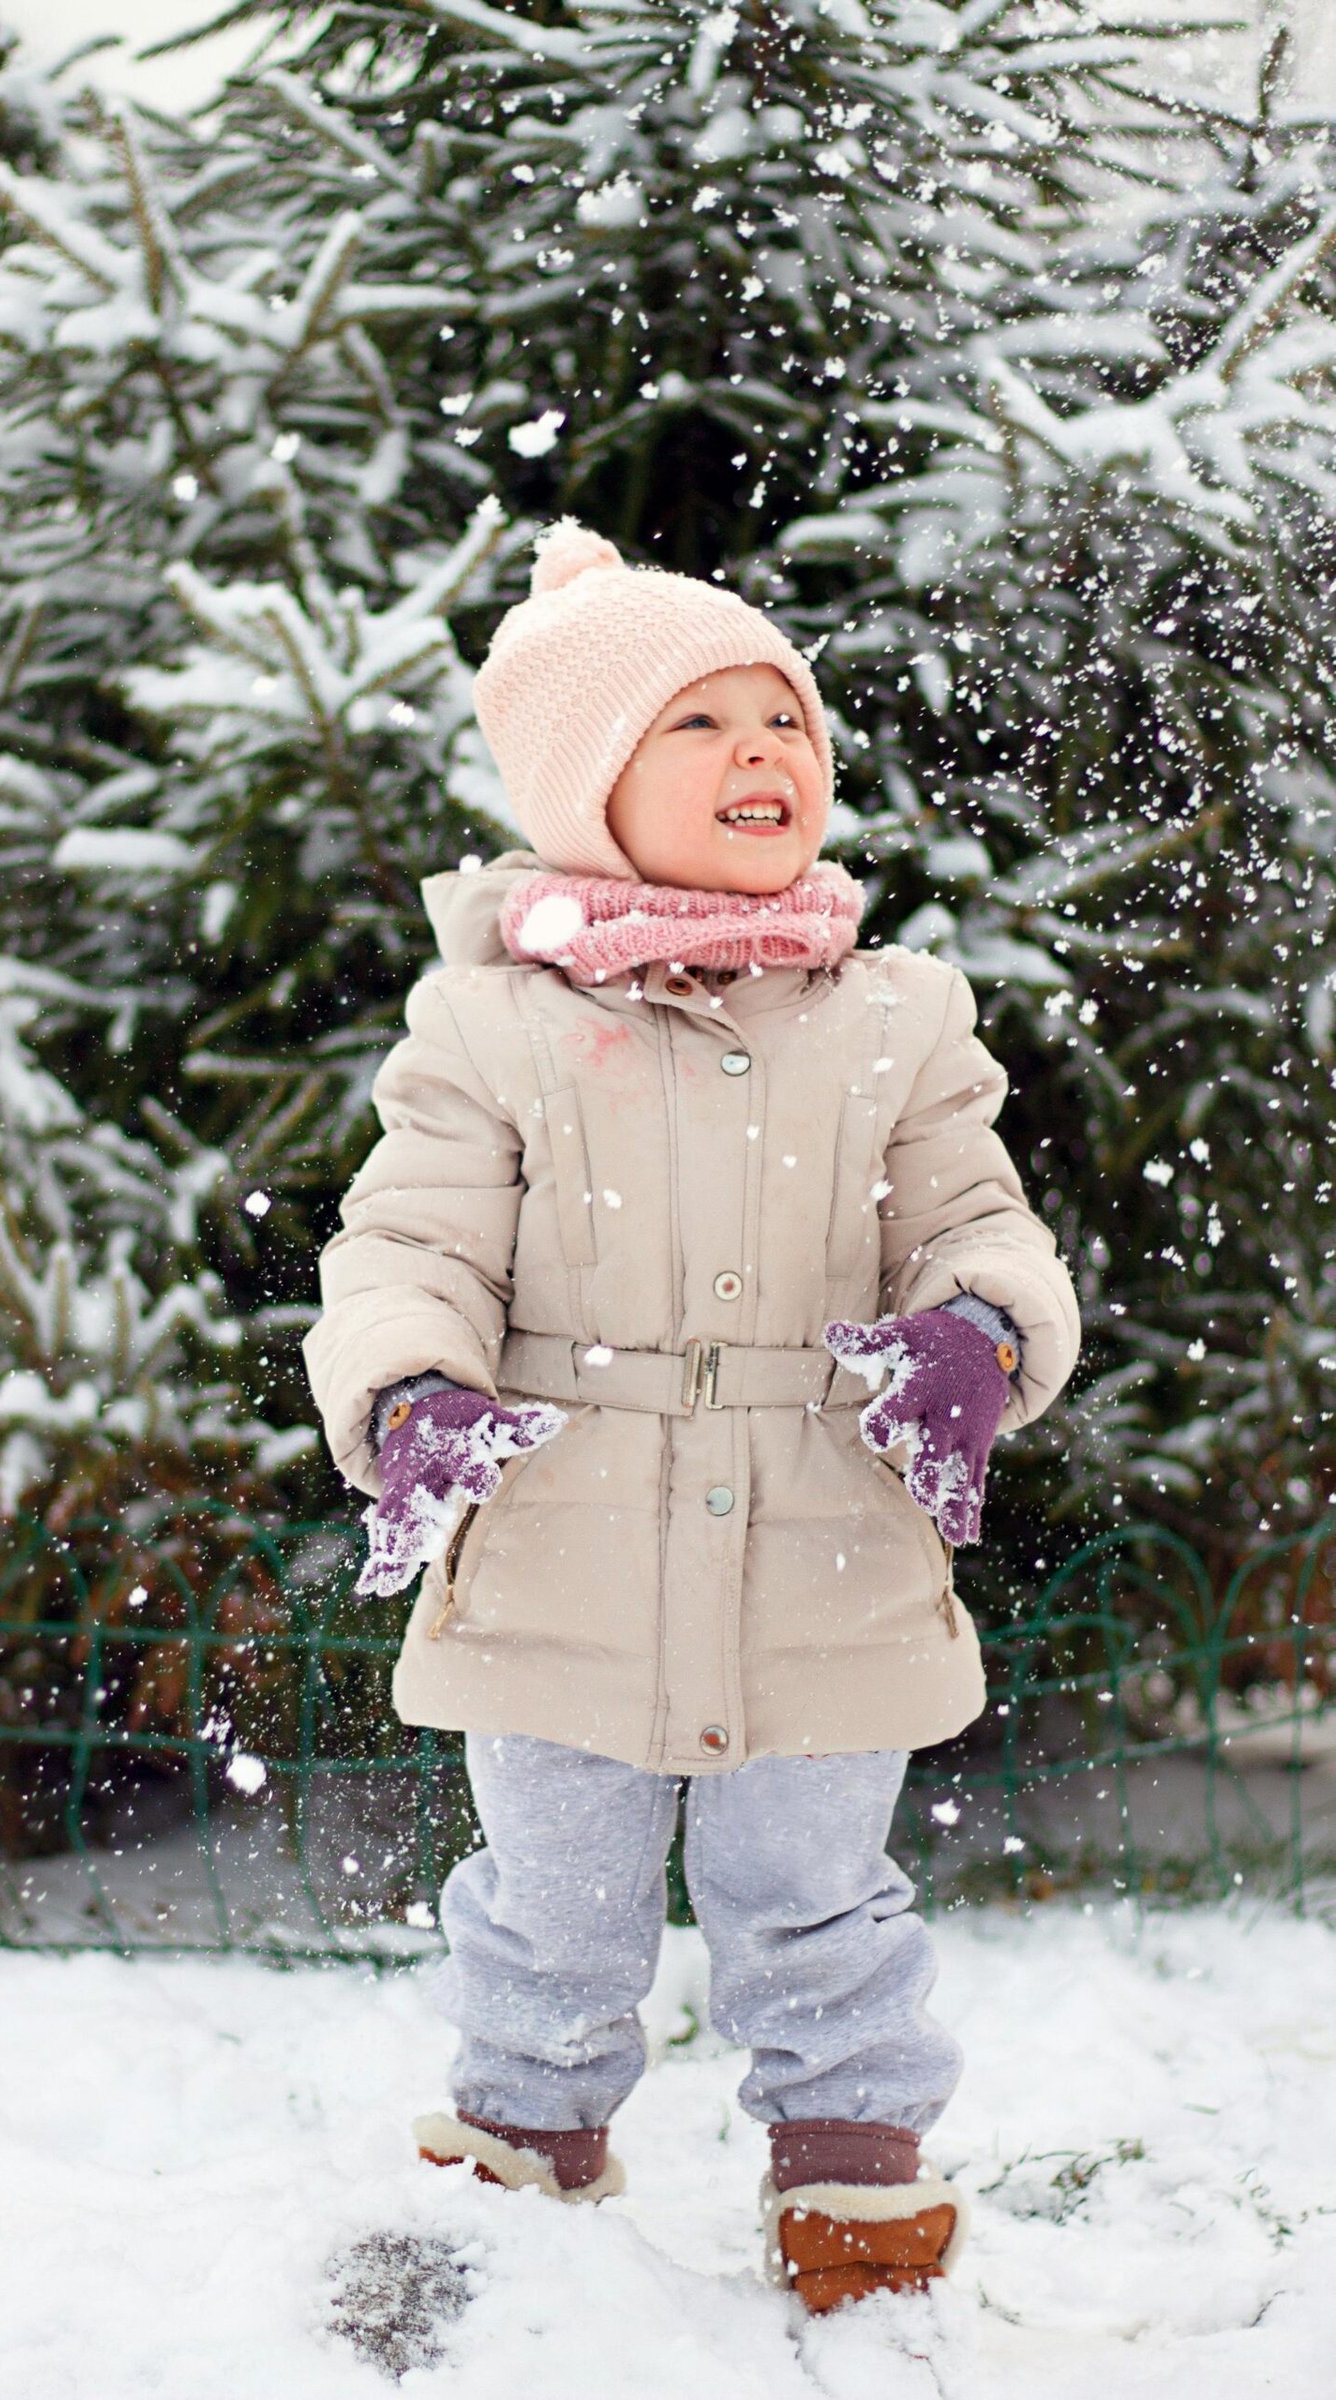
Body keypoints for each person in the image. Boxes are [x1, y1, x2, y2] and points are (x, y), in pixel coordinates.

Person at [303, 523, 1079, 2312]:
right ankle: (524, 2130)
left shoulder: (895, 1021)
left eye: (784, 721)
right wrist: (412, 1386)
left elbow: (978, 1216)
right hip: (563, 1519)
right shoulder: (492, 1026)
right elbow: (407, 1239)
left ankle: (852, 2168)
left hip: (826, 1519)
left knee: (816, 1891)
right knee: (554, 1894)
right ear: (589, 791)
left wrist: (974, 1324)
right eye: (699, 724)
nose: (763, 755)